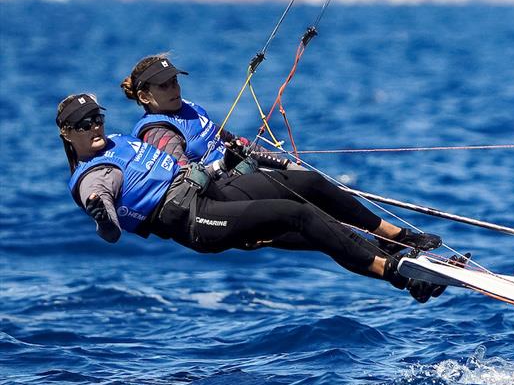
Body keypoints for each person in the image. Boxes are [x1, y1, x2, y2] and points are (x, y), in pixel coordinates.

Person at [57, 93, 446, 302]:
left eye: (96, 118)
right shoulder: (93, 174)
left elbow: (184, 164)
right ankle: (395, 273)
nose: (94, 126)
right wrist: (102, 214)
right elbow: (103, 210)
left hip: (210, 190)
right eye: (83, 125)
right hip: (195, 219)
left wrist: (223, 165)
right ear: (67, 135)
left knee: (304, 184)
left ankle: (393, 238)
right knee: (299, 217)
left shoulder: (118, 141)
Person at [120, 53, 439, 255]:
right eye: (164, 86)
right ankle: (393, 244)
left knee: (321, 214)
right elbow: (184, 180)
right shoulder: (158, 131)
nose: (174, 88)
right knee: (318, 228)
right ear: (146, 96)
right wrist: (226, 168)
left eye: (174, 80)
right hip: (223, 205)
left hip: (250, 183)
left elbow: (234, 141)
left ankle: (396, 254)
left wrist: (282, 161)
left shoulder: (190, 111)